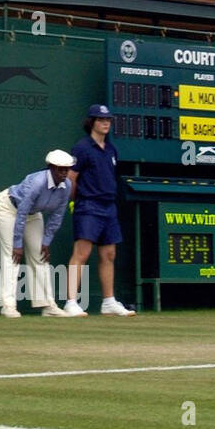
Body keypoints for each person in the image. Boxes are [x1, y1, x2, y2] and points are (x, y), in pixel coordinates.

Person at [63, 103, 134, 316]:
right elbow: (71, 179)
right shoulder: (82, 148)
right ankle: (71, 302)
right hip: (88, 205)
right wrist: (74, 202)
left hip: (108, 207)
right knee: (82, 253)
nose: (105, 123)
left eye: (108, 120)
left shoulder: (112, 149)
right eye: (101, 120)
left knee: (109, 254)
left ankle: (108, 302)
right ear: (92, 122)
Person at [0, 150, 75, 317]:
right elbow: (21, 212)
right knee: (12, 255)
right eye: (61, 169)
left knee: (40, 254)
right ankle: (8, 306)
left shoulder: (67, 186)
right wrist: (17, 244)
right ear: (51, 168)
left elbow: (57, 215)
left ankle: (48, 305)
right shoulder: (37, 182)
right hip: (8, 208)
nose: (64, 173)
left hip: (33, 214)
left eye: (67, 169)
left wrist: (46, 241)